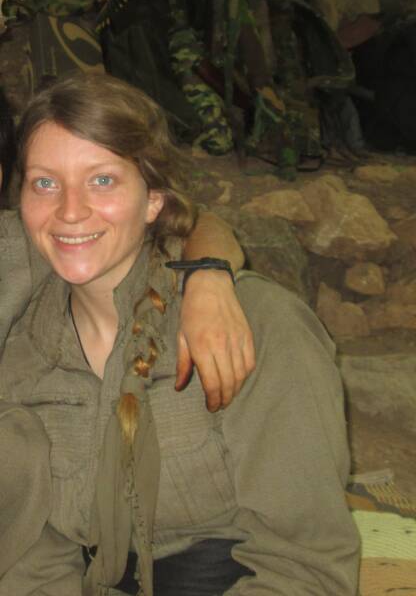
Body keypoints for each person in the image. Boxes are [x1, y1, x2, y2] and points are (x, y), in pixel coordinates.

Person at [0, 72, 360, 595]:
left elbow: (304, 564)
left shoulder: (256, 327)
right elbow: (33, 550)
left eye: (102, 180)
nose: (70, 210)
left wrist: (209, 271)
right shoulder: (23, 344)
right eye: (45, 183)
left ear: (153, 200)